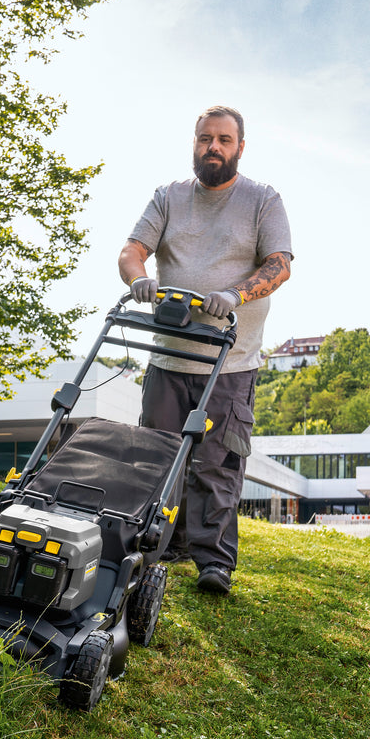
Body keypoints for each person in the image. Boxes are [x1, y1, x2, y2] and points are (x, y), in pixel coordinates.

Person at [117, 105, 293, 594]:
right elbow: (131, 250)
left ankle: (213, 562)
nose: (212, 147)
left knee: (217, 462)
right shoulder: (169, 197)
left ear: (239, 147)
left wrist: (234, 296)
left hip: (230, 362)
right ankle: (157, 544)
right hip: (170, 357)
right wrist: (139, 280)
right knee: (157, 457)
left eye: (223, 139)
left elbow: (280, 265)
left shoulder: (262, 200)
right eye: (204, 139)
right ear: (194, 143)